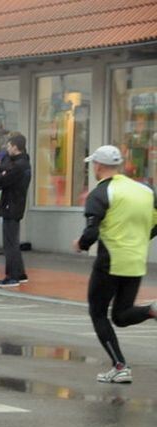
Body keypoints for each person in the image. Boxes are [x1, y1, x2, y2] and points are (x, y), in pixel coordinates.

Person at [73, 145, 157, 384]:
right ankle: (152, 310)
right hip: (136, 260)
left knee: (98, 312)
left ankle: (120, 366)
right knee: (121, 315)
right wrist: (142, 237)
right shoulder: (144, 190)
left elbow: (91, 232)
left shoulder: (101, 193)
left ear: (98, 166)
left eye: (93, 165)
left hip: (110, 261)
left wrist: (80, 244)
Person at [0, 133, 31, 287]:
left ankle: (12, 276)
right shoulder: (20, 162)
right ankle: (20, 273)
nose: (7, 148)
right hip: (13, 204)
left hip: (12, 205)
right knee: (13, 241)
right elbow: (4, 171)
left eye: (9, 146)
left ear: (16, 147)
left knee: (10, 243)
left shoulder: (19, 166)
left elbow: (0, 180)